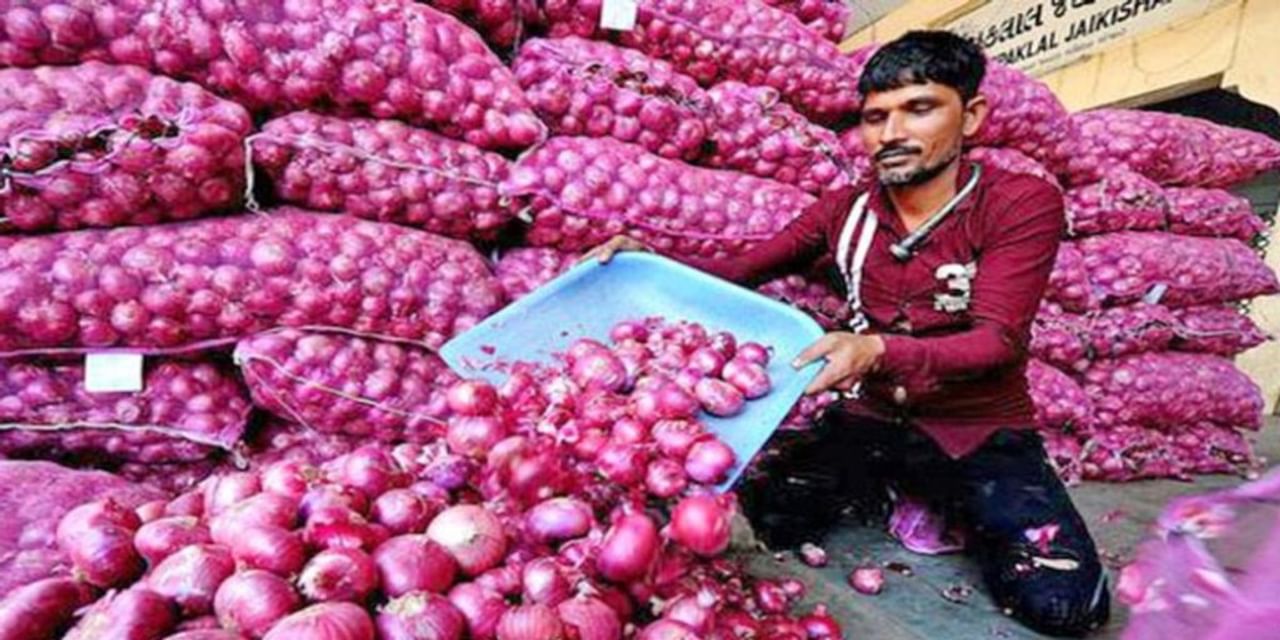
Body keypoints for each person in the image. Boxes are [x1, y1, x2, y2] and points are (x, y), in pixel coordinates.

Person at [583, 30, 1110, 638]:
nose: (891, 134)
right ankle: (896, 489)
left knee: (1064, 607)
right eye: (875, 117)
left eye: (920, 108)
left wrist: (877, 349)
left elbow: (998, 341)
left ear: (971, 116)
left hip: (978, 428)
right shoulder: (844, 210)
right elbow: (741, 271)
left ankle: (940, 494)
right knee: (772, 517)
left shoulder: (1019, 202)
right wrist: (648, 259)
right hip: (872, 419)